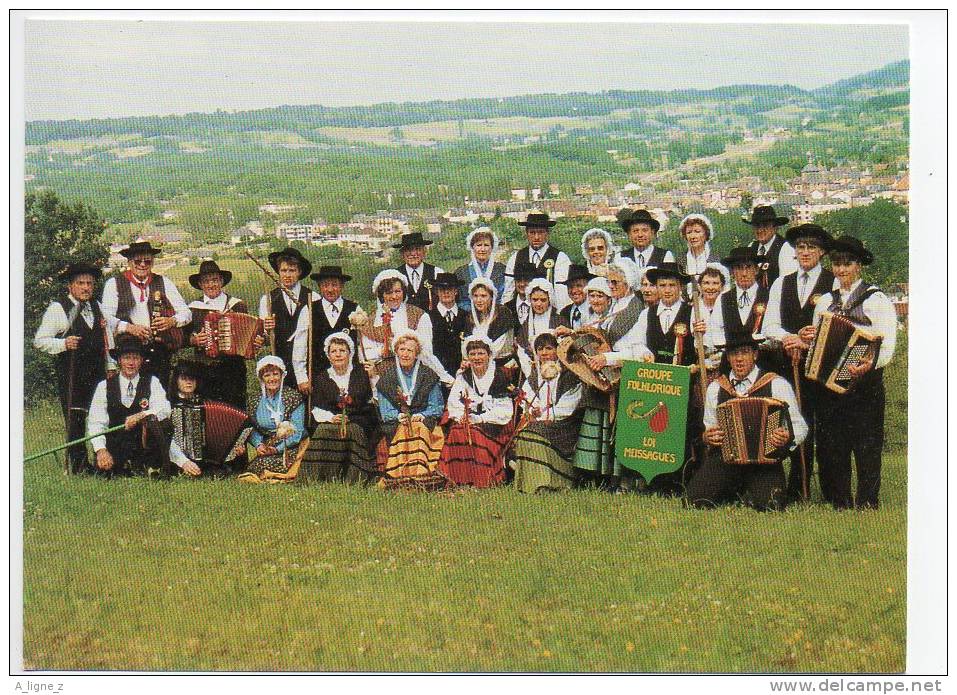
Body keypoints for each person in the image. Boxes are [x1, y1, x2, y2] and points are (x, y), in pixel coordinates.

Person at [809, 236, 897, 510]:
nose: (841, 270)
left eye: (847, 264)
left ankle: (868, 500)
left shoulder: (876, 299)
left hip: (865, 383)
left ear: (858, 266)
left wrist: (869, 365)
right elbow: (819, 340)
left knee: (867, 443)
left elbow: (888, 343)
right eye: (836, 264)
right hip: (830, 383)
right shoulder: (825, 301)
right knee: (835, 442)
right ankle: (841, 500)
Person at [686, 329, 807, 511]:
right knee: (694, 500)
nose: (739, 359)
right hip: (727, 460)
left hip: (765, 462)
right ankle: (738, 489)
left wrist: (786, 437)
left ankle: (748, 489)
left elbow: (800, 426)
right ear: (728, 358)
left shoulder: (775, 384)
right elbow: (709, 427)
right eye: (734, 354)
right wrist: (708, 437)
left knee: (770, 505)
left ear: (755, 354)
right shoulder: (716, 388)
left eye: (745, 352)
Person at [763, 223, 836, 501]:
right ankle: (796, 486)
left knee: (824, 428)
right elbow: (770, 325)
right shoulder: (783, 282)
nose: (805, 252)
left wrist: (809, 341)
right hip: (787, 365)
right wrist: (790, 338)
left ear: (821, 252)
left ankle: (831, 490)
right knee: (793, 422)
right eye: (801, 247)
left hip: (821, 367)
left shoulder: (833, 282)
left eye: (811, 247)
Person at [34, 261, 119, 474]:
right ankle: (81, 466)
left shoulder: (97, 306)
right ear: (70, 286)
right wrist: (63, 343)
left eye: (89, 283)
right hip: (72, 374)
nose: (86, 287)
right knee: (76, 420)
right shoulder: (58, 309)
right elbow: (40, 340)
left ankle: (105, 461)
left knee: (102, 415)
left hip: (98, 373)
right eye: (80, 283)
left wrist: (111, 365)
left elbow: (107, 338)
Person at [571, 257, 645, 491]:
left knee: (624, 428)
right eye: (609, 282)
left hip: (628, 373)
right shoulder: (617, 306)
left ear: (629, 284)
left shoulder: (637, 310)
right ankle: (602, 474)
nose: (610, 287)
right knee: (607, 424)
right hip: (610, 373)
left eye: (615, 282)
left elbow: (639, 350)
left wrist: (607, 358)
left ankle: (624, 479)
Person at [632, 262, 701, 494]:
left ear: (680, 287)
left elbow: (704, 347)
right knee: (655, 428)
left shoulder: (693, 313)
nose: (668, 290)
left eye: (672, 285)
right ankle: (653, 479)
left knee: (678, 429)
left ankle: (677, 481)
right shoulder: (648, 314)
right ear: (656, 287)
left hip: (682, 382)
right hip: (655, 382)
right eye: (662, 285)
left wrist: (695, 366)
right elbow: (637, 342)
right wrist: (644, 353)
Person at [100, 238, 190, 388]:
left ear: (152, 262)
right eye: (137, 261)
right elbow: (106, 318)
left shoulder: (164, 282)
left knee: (160, 393)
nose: (142, 265)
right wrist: (128, 327)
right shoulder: (113, 284)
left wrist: (172, 321)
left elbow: (186, 313)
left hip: (159, 350)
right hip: (130, 350)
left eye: (147, 261)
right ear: (129, 262)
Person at [86, 334, 174, 478]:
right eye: (127, 358)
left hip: (143, 446)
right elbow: (96, 423)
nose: (131, 363)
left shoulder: (152, 382)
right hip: (116, 446)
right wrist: (101, 451)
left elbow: (165, 408)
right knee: (108, 472)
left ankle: (152, 467)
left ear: (141, 361)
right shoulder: (103, 386)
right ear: (119, 360)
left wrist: (142, 415)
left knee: (163, 424)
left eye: (135, 358)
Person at [298, 333, 379, 484]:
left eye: (342, 350)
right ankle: (319, 477)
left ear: (350, 353)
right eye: (334, 351)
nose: (338, 355)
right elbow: (317, 407)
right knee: (323, 430)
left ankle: (355, 477)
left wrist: (373, 376)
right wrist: (331, 417)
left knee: (353, 430)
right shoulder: (322, 378)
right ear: (328, 355)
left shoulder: (362, 373)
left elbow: (374, 399)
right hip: (332, 418)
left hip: (359, 419)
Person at [437, 335, 515, 488]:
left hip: (495, 425)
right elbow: (454, 402)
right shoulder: (464, 377)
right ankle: (458, 480)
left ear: (489, 355)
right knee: (458, 431)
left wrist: (479, 419)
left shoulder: (499, 376)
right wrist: (462, 417)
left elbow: (505, 411)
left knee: (475, 434)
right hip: (469, 420)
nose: (477, 358)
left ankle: (481, 481)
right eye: (473, 354)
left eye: (481, 353)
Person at [511, 333, 584, 494]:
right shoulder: (534, 374)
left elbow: (569, 405)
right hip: (540, 420)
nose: (544, 353)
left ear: (557, 350)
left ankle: (552, 481)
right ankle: (530, 483)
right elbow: (527, 397)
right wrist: (533, 410)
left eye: (548, 348)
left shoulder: (569, 374)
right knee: (525, 434)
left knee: (535, 433)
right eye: (540, 349)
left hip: (564, 423)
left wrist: (545, 416)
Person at [358, 269, 455, 387]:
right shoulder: (372, 321)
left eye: (397, 291)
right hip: (383, 376)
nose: (394, 296)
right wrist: (383, 350)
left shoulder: (419, 315)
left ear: (403, 292)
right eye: (389, 292)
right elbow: (366, 355)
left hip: (416, 373)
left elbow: (426, 351)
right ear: (382, 295)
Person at [375, 332, 447, 488]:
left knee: (419, 428)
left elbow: (437, 406)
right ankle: (399, 477)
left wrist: (422, 415)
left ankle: (420, 475)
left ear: (416, 354)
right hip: (396, 422)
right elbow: (385, 411)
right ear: (396, 351)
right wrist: (399, 416)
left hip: (423, 420)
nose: (405, 354)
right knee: (404, 428)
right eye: (402, 349)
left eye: (410, 350)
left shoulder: (428, 375)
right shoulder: (387, 377)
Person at [185, 259, 252, 410]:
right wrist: (194, 340)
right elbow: (183, 337)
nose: (211, 285)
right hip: (205, 369)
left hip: (234, 369)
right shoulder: (192, 308)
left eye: (214, 280)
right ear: (200, 285)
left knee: (236, 411)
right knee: (210, 413)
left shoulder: (237, 305)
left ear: (221, 281)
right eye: (206, 281)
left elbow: (249, 332)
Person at [167, 359, 244, 478]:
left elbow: (221, 432)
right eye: (184, 378)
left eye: (192, 379)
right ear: (176, 381)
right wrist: (184, 462)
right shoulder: (170, 405)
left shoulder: (205, 403)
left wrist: (235, 446)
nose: (188, 382)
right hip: (178, 459)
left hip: (206, 460)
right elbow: (168, 440)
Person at [257, 247, 319, 390]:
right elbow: (264, 339)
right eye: (284, 270)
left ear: (299, 272)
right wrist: (267, 330)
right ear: (278, 272)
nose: (287, 275)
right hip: (279, 364)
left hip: (307, 364)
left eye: (292, 270)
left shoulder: (313, 298)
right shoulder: (268, 300)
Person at [291, 265, 359, 395]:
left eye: (334, 285)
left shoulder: (355, 309)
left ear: (342, 286)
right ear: (319, 287)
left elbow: (361, 346)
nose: (330, 289)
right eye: (325, 285)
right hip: (318, 377)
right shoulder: (309, 310)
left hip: (349, 377)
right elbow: (299, 347)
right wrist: (302, 378)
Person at [238, 355, 307, 481]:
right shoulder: (254, 400)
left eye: (275, 374)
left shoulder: (293, 397)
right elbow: (251, 428)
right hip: (268, 446)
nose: (272, 379)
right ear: (261, 378)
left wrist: (276, 449)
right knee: (257, 465)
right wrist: (258, 445)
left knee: (278, 464)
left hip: (292, 446)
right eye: (267, 375)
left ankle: (281, 474)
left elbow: (298, 431)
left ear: (282, 375)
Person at [705, 247, 771, 360]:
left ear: (756, 270)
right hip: (731, 363)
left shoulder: (769, 296)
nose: (744, 273)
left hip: (762, 363)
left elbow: (771, 331)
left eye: (748, 267)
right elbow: (715, 330)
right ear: (732, 272)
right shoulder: (723, 298)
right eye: (739, 268)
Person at [502, 211, 571, 309]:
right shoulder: (515, 258)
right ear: (526, 233)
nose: (536, 237)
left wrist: (558, 318)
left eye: (540, 232)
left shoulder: (560, 258)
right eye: (532, 232)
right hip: (521, 314)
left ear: (547, 233)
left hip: (549, 315)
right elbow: (509, 291)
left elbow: (562, 295)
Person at [463, 277, 518, 376]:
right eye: (475, 296)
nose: (479, 300)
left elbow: (499, 346)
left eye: (483, 296)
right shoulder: (470, 317)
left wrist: (476, 358)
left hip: (501, 366)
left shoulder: (503, 314)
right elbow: (466, 343)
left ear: (492, 297)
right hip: (477, 366)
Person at [515, 278, 569, 378]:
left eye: (543, 300)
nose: (539, 304)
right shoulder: (525, 325)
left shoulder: (560, 321)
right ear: (530, 300)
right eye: (535, 300)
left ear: (549, 300)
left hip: (558, 373)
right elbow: (521, 352)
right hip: (532, 373)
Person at [427, 273, 470, 384]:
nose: (446, 292)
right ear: (436, 291)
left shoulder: (467, 316)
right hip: (436, 375)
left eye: (450, 289)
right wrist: (443, 376)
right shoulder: (427, 317)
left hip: (464, 374)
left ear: (456, 291)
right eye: (442, 289)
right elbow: (427, 351)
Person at [743, 205, 798, 288]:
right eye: (757, 226)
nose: (760, 230)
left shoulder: (786, 248)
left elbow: (787, 284)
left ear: (775, 227)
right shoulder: (751, 247)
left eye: (765, 225)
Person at [453, 226, 506, 311]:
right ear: (472, 247)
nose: (482, 249)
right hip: (468, 317)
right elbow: (459, 300)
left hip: (497, 315)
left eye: (486, 245)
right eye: (479, 245)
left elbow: (505, 295)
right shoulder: (461, 272)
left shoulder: (502, 270)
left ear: (492, 248)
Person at [394, 232, 445, 312]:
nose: (413, 254)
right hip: (404, 322)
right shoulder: (395, 275)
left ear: (424, 252)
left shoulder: (437, 272)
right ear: (402, 254)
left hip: (432, 322)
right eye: (408, 250)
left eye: (417, 249)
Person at [676, 213, 730, 287]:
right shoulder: (680, 260)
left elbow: (725, 287)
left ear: (706, 234)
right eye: (689, 232)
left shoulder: (717, 259)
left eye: (697, 231)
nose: (692, 236)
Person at [503, 262, 541, 326]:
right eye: (518, 280)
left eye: (526, 280)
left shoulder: (540, 306)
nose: (522, 284)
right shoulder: (507, 308)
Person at [558, 264, 594, 329]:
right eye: (570, 287)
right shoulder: (565, 312)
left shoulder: (594, 309)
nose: (574, 291)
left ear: (588, 286)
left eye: (579, 285)